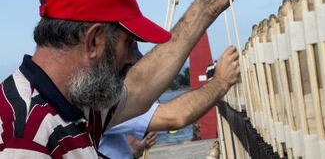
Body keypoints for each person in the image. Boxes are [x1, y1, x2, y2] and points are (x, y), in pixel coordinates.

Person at [0, 0, 243, 158]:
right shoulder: (23, 139)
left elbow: (139, 86)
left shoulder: (75, 102)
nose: (133, 59)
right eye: (129, 44)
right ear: (93, 41)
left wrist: (205, 7)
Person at [99, 46, 239, 159]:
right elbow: (177, 116)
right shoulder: (103, 101)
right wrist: (221, 81)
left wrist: (134, 150)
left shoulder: (105, 100)